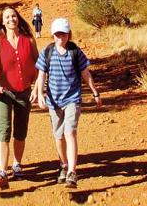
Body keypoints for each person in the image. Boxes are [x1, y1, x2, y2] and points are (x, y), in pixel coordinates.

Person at [33, 17, 101, 188]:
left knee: (70, 132)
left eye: (63, 34)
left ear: (69, 35)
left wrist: (95, 93)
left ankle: (72, 171)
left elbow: (86, 74)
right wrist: (40, 93)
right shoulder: (47, 52)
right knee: (58, 135)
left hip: (72, 99)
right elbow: (41, 74)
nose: (60, 38)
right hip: (54, 101)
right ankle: (63, 165)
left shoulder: (75, 52)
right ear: (52, 35)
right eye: (57, 35)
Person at [0, 5, 38, 189]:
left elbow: (39, 65)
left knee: (20, 131)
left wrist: (37, 88)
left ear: (18, 19)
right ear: (3, 21)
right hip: (4, 93)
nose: (11, 19)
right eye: (7, 17)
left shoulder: (29, 40)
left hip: (25, 91)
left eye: (14, 16)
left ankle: (17, 164)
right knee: (3, 131)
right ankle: (2, 171)